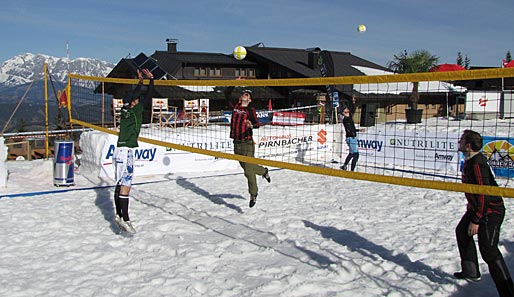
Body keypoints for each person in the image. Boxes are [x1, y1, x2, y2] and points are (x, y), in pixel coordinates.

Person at [455, 129, 514, 296]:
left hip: (491, 211)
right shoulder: (469, 160)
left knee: (489, 250)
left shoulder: (478, 163)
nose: (459, 142)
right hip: (478, 208)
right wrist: (472, 208)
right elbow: (474, 191)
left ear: (468, 145)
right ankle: (471, 270)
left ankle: (508, 291)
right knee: (461, 231)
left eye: (461, 140)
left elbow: (483, 193)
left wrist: (476, 220)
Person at [113, 68, 154, 234]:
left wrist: (140, 82)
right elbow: (148, 96)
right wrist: (151, 80)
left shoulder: (125, 109)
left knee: (120, 184)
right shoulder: (136, 110)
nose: (139, 100)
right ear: (133, 103)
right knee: (126, 186)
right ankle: (126, 219)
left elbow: (135, 94)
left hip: (119, 150)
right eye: (137, 100)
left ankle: (118, 215)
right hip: (127, 150)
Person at [230, 89, 271, 208]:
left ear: (250, 100)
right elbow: (227, 93)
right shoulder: (235, 106)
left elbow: (257, 124)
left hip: (247, 143)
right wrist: (235, 84)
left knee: (248, 171)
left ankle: (253, 194)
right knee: (248, 167)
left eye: (248, 94)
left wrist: (251, 125)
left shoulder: (250, 110)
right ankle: (264, 171)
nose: (245, 95)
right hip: (236, 143)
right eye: (244, 93)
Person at [340, 95, 359, 171]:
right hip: (351, 138)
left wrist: (353, 101)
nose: (348, 111)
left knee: (351, 153)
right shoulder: (346, 120)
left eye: (347, 110)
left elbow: (353, 109)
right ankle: (352, 170)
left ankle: (344, 166)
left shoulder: (349, 117)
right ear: (343, 113)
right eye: (346, 111)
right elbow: (350, 129)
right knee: (356, 154)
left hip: (352, 137)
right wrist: (355, 131)